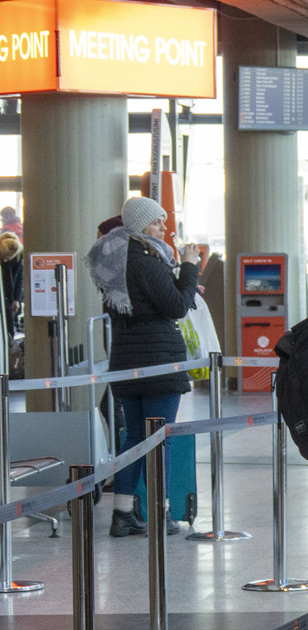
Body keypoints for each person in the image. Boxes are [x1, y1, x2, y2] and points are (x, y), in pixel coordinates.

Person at [89, 196, 201, 537]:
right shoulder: (146, 260)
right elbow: (178, 306)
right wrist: (191, 266)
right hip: (158, 363)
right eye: (156, 222)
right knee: (159, 438)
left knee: (134, 436)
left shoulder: (116, 261)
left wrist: (177, 277)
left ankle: (122, 513)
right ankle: (160, 512)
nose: (163, 228)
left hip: (126, 359)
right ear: (139, 227)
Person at [0, 231, 23, 335]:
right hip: (5, 293)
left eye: (10, 257)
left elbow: (19, 279)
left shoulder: (19, 255)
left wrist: (16, 299)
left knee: (9, 327)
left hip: (8, 296)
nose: (6, 260)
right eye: (4, 257)